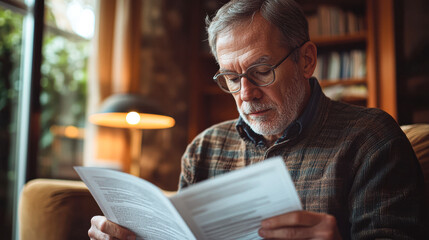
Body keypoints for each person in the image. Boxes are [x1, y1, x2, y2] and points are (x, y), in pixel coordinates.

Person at [88, 0, 428, 239]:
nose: (246, 93)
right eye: (232, 79)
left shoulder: (371, 139)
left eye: (261, 71)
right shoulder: (204, 148)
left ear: (306, 61)